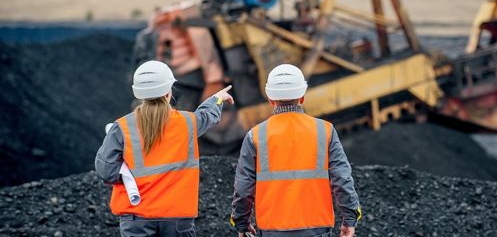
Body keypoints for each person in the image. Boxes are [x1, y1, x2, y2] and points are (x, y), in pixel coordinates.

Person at [95, 60, 234, 237]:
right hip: (177, 218)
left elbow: (105, 171)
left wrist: (128, 176)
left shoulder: (122, 127)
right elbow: (207, 116)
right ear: (168, 92)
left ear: (139, 93)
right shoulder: (187, 123)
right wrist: (217, 98)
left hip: (136, 218)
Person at [231, 64, 361, 237]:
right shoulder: (325, 131)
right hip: (316, 229)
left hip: (272, 230)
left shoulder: (255, 135)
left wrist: (242, 223)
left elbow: (243, 188)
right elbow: (342, 179)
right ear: (302, 97)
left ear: (270, 99)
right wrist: (349, 219)